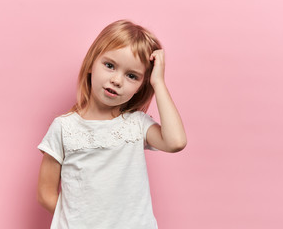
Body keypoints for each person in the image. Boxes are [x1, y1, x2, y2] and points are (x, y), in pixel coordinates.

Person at [37, 19, 187, 229]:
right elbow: (46, 193)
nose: (117, 80)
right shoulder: (64, 128)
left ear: (140, 86)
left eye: (131, 76)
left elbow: (176, 142)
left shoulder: (136, 124)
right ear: (91, 64)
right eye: (109, 66)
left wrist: (158, 82)